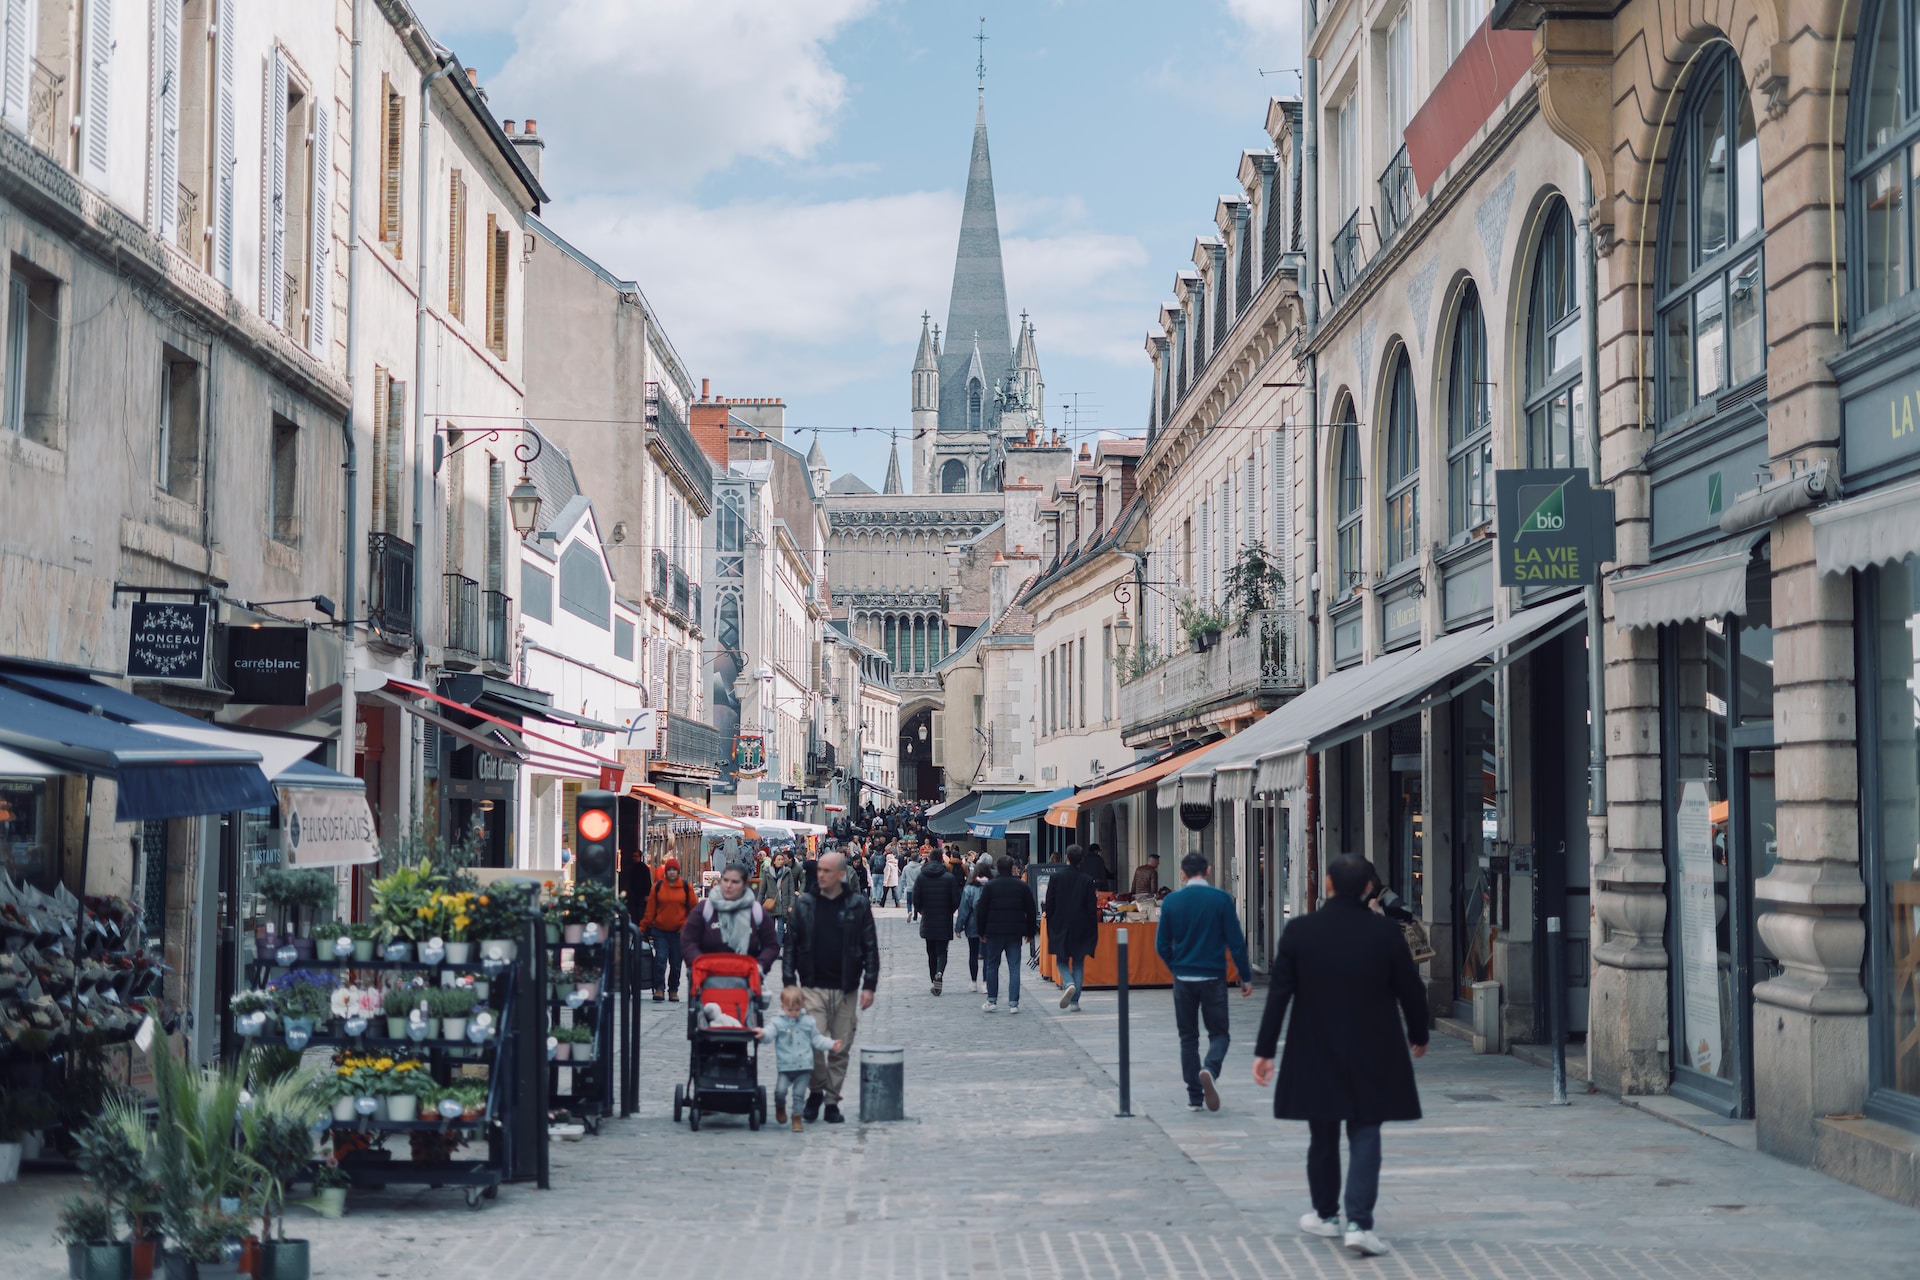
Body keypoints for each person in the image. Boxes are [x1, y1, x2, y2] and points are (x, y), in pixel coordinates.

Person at [1253, 855, 1429, 1259]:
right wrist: (1418, 1035)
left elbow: (1279, 994)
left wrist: (1264, 1051)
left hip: (1314, 1046)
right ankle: (1360, 1224)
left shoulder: (1300, 931)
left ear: (1328, 885)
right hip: (1376, 1045)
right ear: (1368, 888)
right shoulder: (1385, 932)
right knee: (1366, 1130)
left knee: (1323, 1130)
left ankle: (1327, 1215)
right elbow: (1411, 990)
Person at [782, 850, 880, 1124]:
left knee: (839, 1048)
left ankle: (831, 1101)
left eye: (826, 871)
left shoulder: (857, 905)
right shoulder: (806, 904)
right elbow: (791, 946)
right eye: (819, 870)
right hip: (812, 986)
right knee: (812, 1042)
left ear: (840, 875)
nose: (820, 875)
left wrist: (869, 985)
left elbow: (870, 946)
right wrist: (789, 983)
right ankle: (816, 1091)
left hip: (846, 988)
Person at [1155, 852, 1253, 1112]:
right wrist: (1245, 976)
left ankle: (1194, 1097)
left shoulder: (1172, 902)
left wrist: (1175, 966)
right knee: (1219, 1033)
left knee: (1188, 1037)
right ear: (1208, 871)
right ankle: (1210, 1067)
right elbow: (1236, 942)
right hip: (1213, 977)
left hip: (1184, 978)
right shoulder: (1221, 899)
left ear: (1182, 873)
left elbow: (1161, 944)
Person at [760, 984, 841, 1132]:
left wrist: (831, 1044)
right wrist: (762, 1035)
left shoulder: (808, 1022)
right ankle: (780, 1106)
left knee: (799, 1094)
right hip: (785, 1066)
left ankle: (796, 1117)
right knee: (780, 1091)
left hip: (804, 1067)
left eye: (797, 1009)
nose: (793, 1013)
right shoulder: (777, 1022)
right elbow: (769, 1033)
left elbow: (817, 1040)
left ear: (802, 1006)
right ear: (783, 1007)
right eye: (790, 1010)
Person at [681, 861, 781, 971]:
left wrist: (760, 965)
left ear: (744, 885)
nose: (729, 885)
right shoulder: (705, 908)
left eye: (735, 882)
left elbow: (771, 945)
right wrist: (698, 962)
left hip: (746, 978)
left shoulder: (755, 911)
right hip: (708, 978)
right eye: (726, 880)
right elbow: (688, 940)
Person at [974, 855, 1038, 1014]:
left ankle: (992, 1000)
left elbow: (981, 910)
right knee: (1014, 967)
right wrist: (1030, 932)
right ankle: (1013, 1003)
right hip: (1014, 932)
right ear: (1012, 868)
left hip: (994, 932)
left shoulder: (990, 886)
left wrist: (981, 931)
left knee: (992, 965)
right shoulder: (1021, 886)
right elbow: (1030, 910)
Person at [1043, 844, 1100, 1012]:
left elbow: (1050, 903)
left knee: (1061, 960)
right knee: (1078, 962)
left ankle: (1068, 983)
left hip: (1060, 924)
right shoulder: (1087, 880)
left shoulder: (1056, 878)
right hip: (1080, 925)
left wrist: (1049, 919)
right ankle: (1075, 1002)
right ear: (1081, 860)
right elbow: (1091, 907)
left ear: (1067, 858)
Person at [639, 858, 698, 1002]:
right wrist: (642, 927)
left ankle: (673, 990)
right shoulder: (658, 887)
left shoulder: (686, 887)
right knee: (660, 960)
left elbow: (694, 910)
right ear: (666, 872)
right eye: (669, 870)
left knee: (676, 963)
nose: (672, 872)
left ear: (678, 872)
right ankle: (659, 988)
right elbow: (650, 910)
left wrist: (688, 926)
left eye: (674, 870)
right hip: (660, 931)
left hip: (679, 932)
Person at [913, 848, 962, 995]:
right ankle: (939, 973)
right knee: (942, 951)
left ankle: (933, 978)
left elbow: (916, 899)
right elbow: (956, 899)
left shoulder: (922, 877)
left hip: (928, 918)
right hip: (944, 918)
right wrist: (950, 911)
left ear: (928, 859)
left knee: (931, 952)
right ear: (942, 859)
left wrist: (922, 910)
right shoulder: (949, 877)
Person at [954, 856, 991, 992]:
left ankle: (973, 982)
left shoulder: (969, 889)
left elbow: (964, 909)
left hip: (972, 925)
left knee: (973, 953)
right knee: (987, 955)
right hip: (989, 925)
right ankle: (986, 983)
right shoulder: (992, 886)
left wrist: (959, 927)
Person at [900, 849, 923, 921]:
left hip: (909, 887)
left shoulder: (906, 867)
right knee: (916, 903)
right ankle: (915, 918)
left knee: (909, 902)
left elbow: (903, 878)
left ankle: (909, 911)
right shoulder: (920, 868)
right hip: (918, 888)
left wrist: (905, 885)